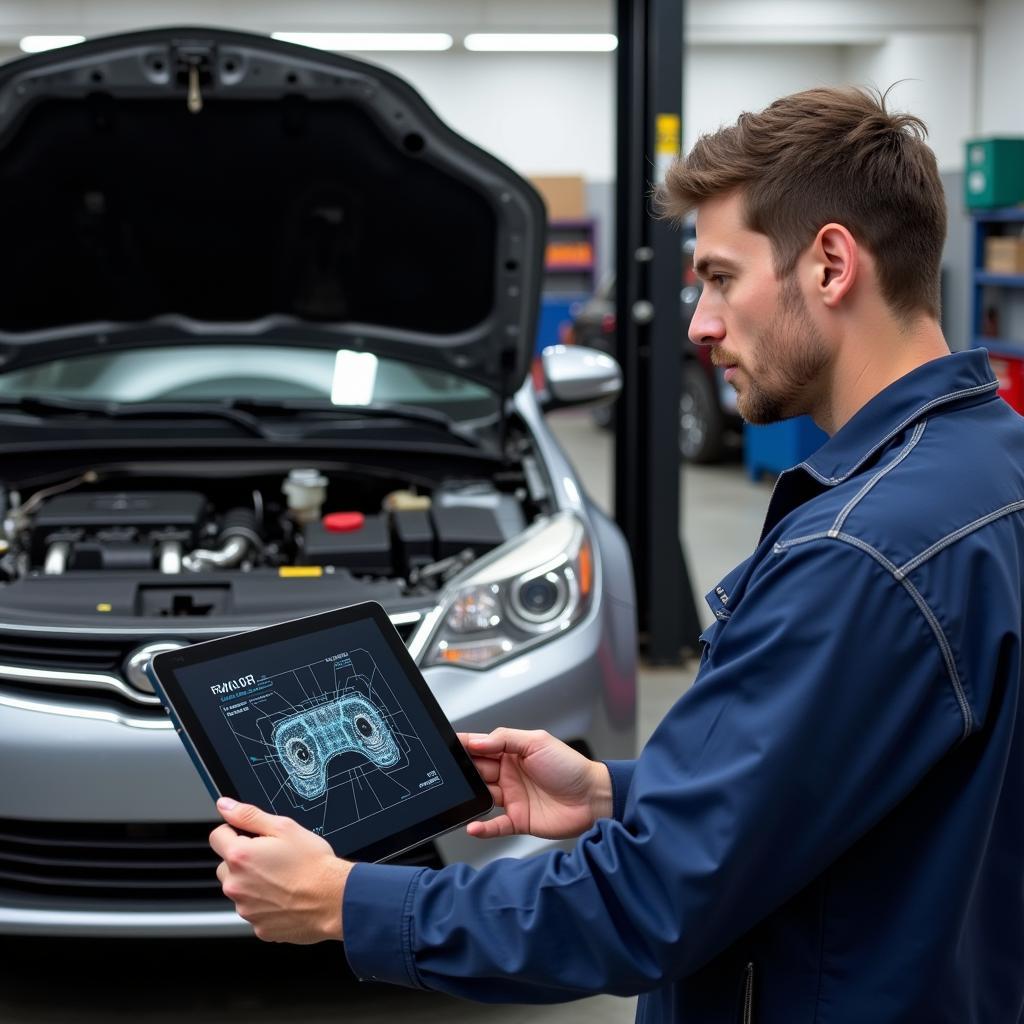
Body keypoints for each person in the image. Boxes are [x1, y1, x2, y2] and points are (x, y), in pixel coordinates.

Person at [209, 86, 1024, 1022]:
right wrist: (614, 790)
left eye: (720, 277)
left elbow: (647, 904)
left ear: (832, 264)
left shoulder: (857, 557)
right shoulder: (992, 467)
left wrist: (347, 902)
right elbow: (857, 769)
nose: (699, 325)